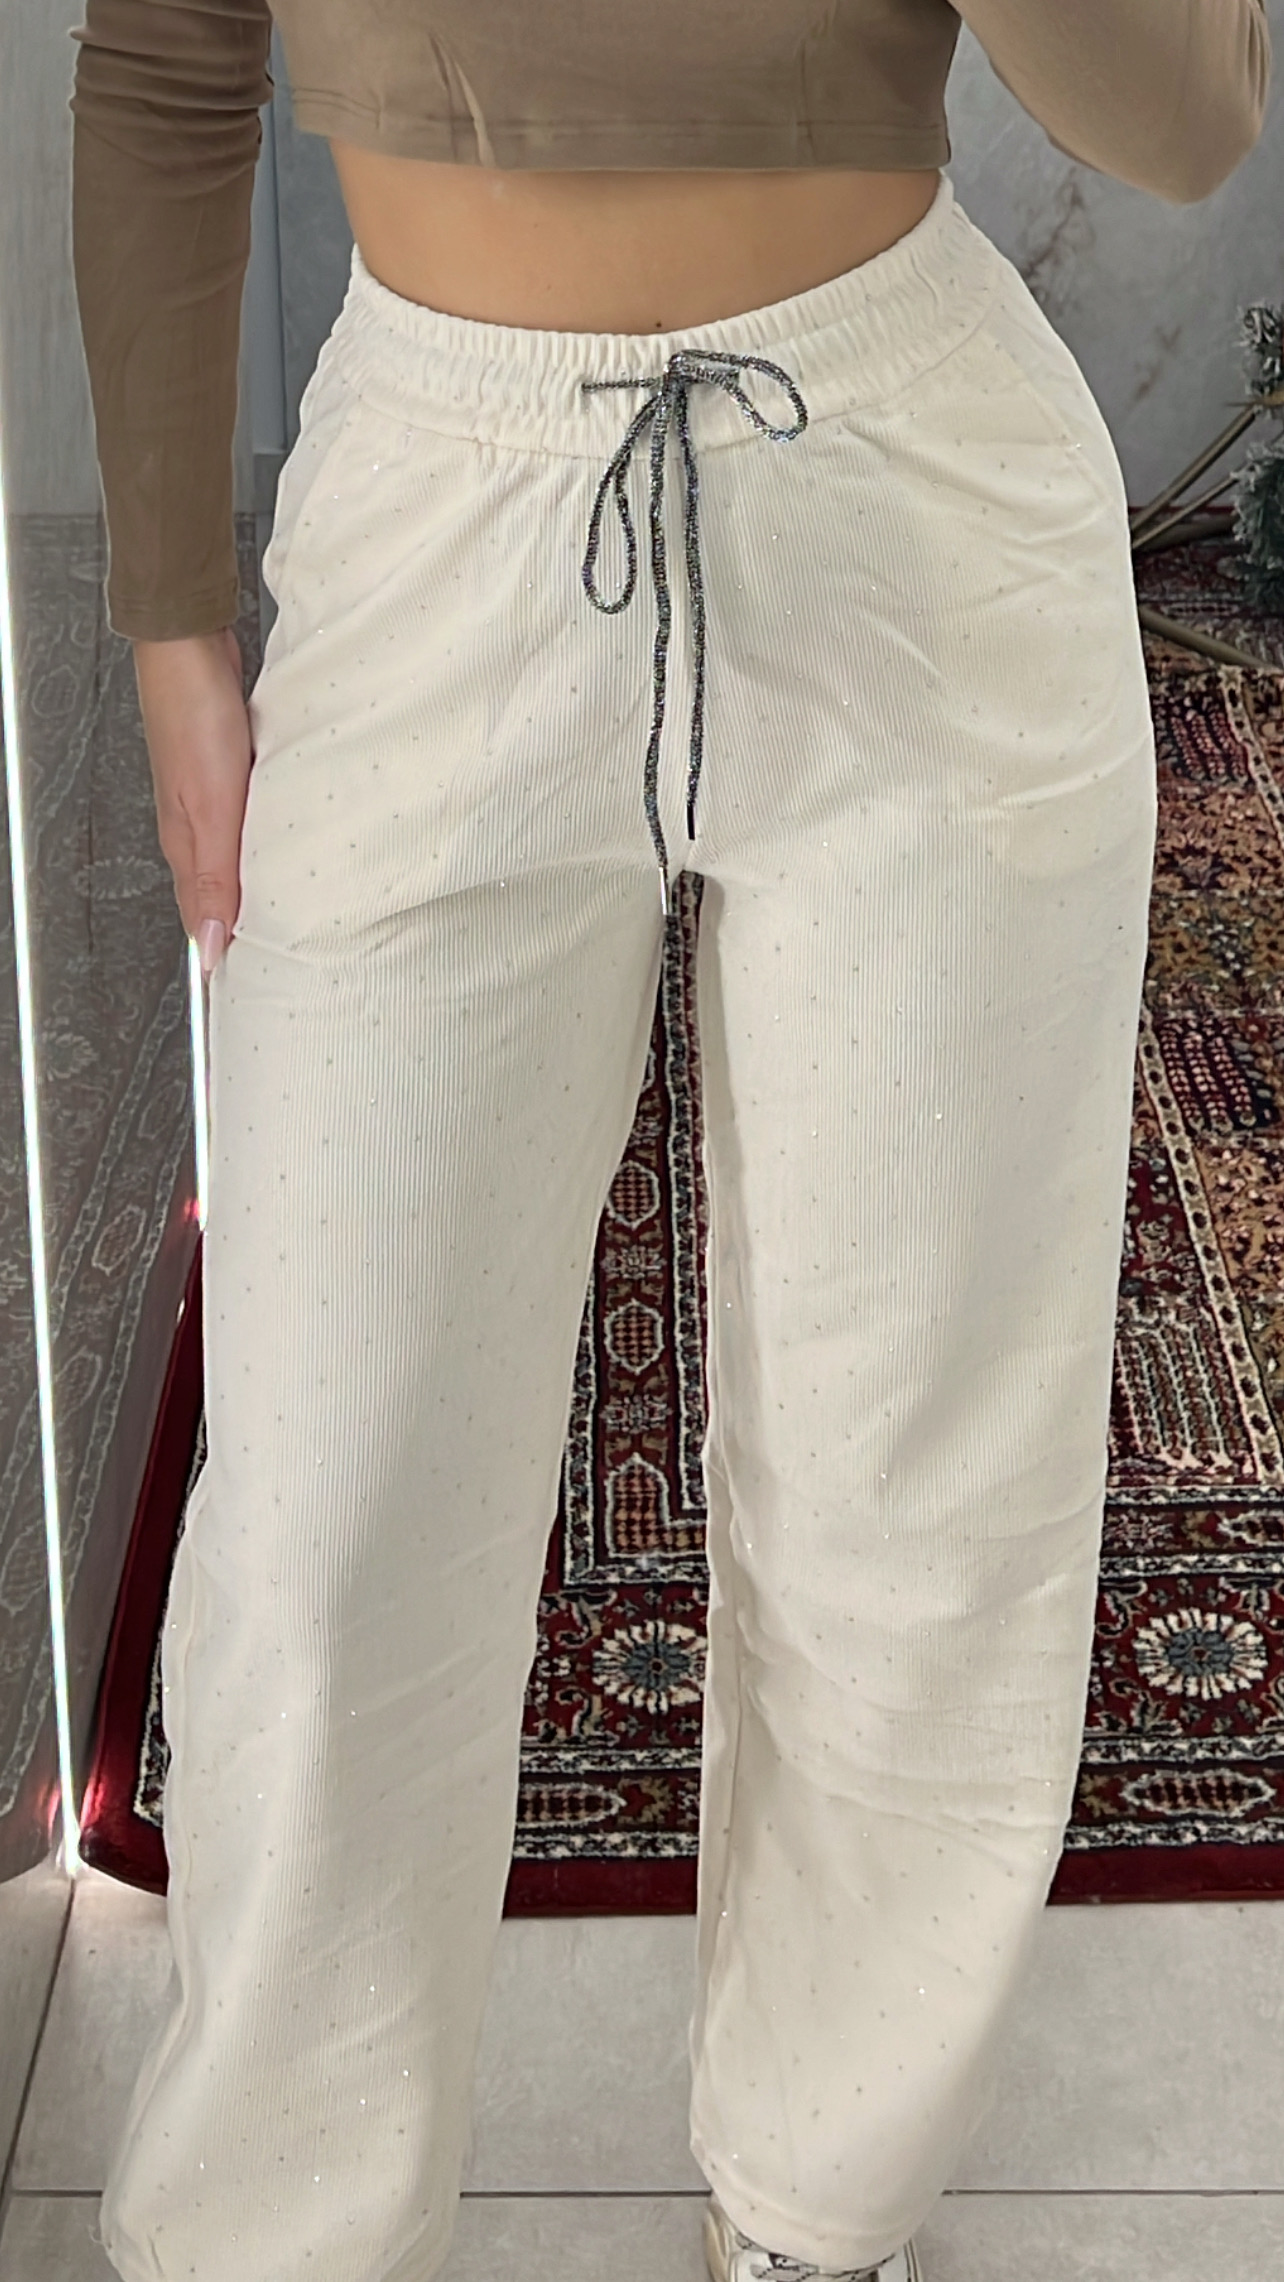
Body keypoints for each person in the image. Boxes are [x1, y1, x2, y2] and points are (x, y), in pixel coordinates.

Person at [66, 4, 1271, 2279]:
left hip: (910, 504)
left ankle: (823, 2204)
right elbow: (163, 57)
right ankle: (272, 2236)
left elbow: (1188, 124)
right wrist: (171, 620)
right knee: (328, 1522)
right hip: (438, 505)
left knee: (915, 1484)